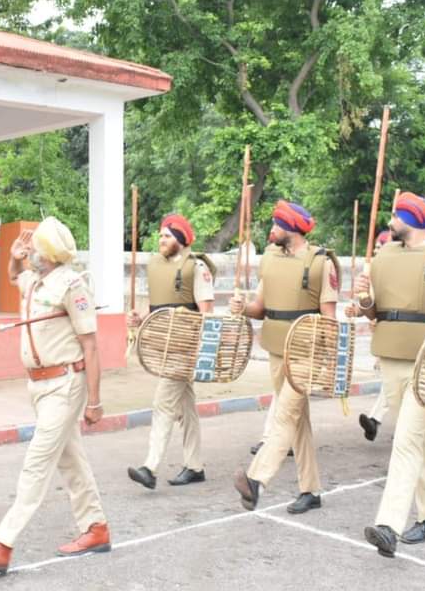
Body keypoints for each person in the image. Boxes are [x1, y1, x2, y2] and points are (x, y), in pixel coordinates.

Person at [0, 218, 109, 574]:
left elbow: (90, 346)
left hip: (65, 385)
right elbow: (16, 275)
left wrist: (94, 401)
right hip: (38, 386)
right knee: (70, 459)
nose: (30, 252)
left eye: (34, 249)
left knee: (37, 463)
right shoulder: (36, 280)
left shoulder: (72, 285)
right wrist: (14, 258)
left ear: (49, 254)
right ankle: (96, 528)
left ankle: (3, 544)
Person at [356, 192, 425, 557]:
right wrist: (363, 302)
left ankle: (388, 524)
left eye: (397, 214)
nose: (391, 218)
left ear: (414, 219)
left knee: (405, 439)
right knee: (416, 441)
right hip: (389, 357)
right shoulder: (382, 256)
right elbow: (373, 313)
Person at [231, 201, 337, 514]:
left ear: (291, 228)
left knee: (284, 414)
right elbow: (260, 307)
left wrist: (329, 360)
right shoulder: (271, 259)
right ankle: (311, 490)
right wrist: (242, 307)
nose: (271, 229)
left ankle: (256, 480)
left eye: (277, 224)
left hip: (306, 351)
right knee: (297, 420)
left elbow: (329, 317)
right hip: (276, 349)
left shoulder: (321, 263)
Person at [126, 214, 215, 490]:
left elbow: (207, 313)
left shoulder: (196, 268)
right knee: (186, 408)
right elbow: (156, 306)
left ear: (180, 239)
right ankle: (195, 466)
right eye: (160, 236)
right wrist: (139, 318)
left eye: (166, 236)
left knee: (164, 403)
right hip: (163, 345)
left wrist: (200, 350)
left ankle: (150, 467)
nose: (160, 240)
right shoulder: (157, 266)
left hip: (184, 347)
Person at [359, 229, 392, 441]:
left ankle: (375, 419)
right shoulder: (376, 273)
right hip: (385, 333)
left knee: (393, 384)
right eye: (377, 247)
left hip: (408, 336)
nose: (378, 251)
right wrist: (360, 307)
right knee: (392, 383)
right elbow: (370, 305)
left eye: (383, 247)